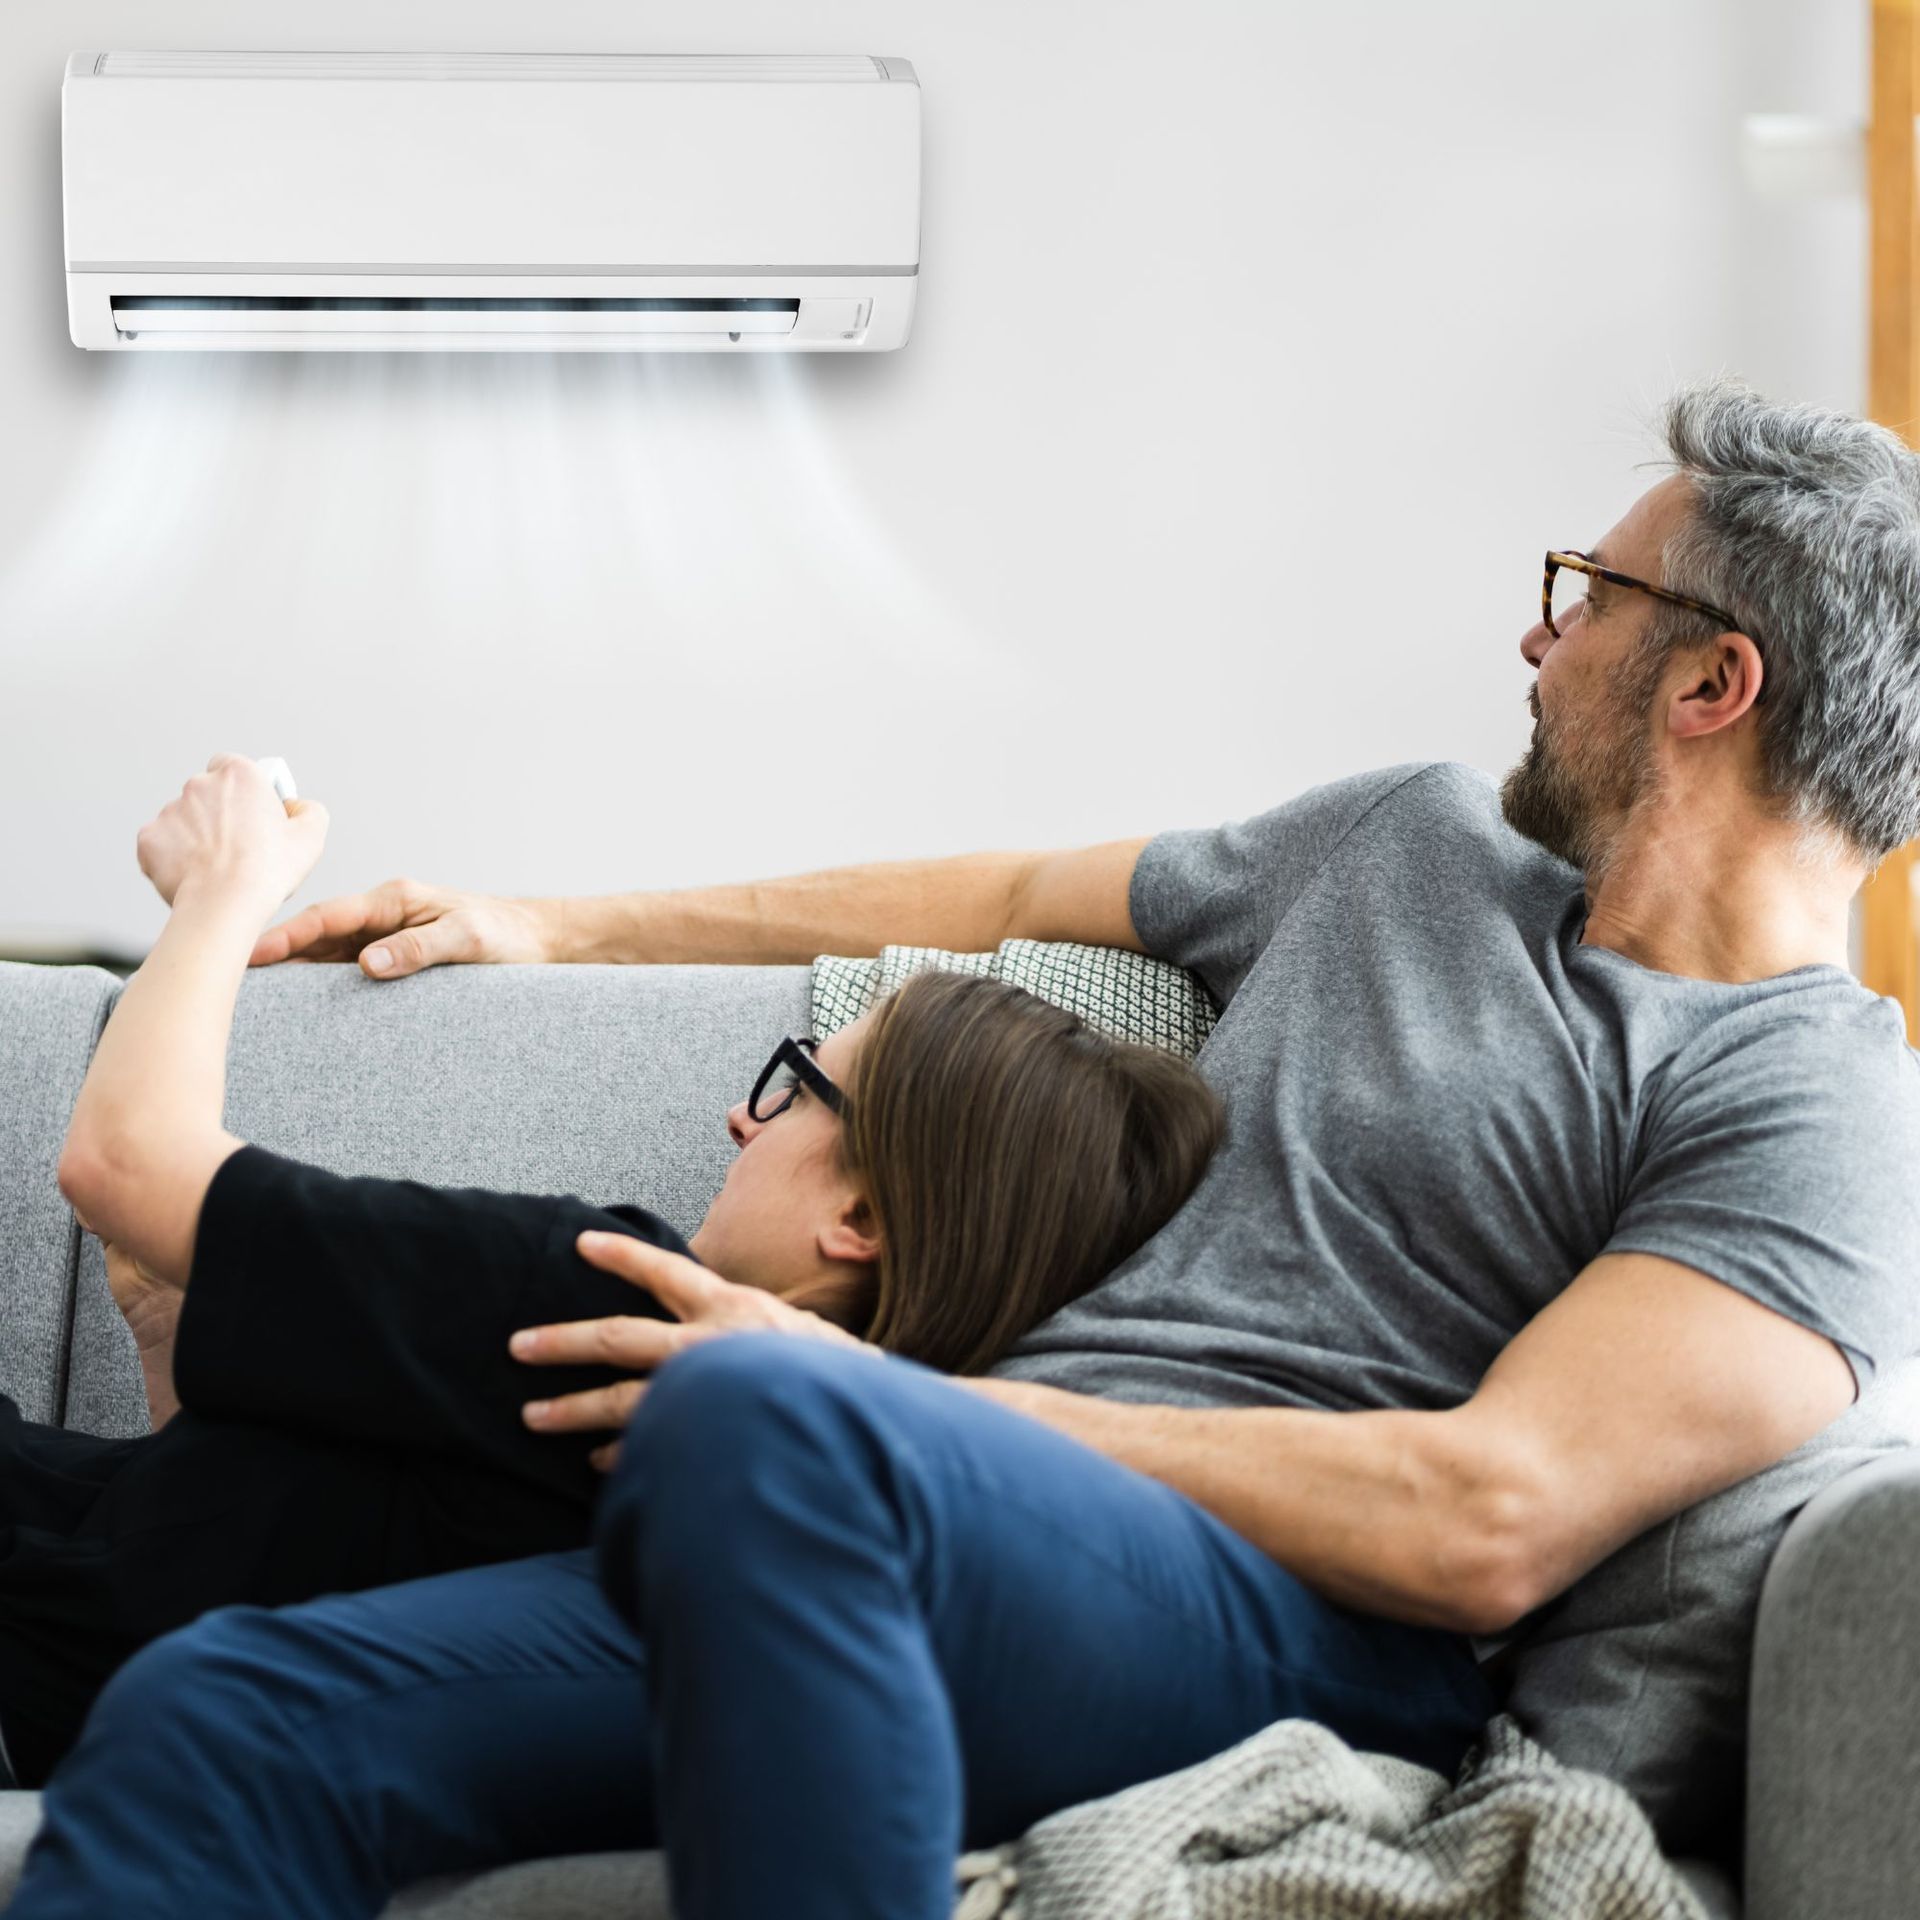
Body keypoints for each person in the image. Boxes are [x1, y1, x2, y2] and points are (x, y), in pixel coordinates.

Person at [14, 379, 1920, 1920]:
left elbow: (1487, 1519)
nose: (1537, 626)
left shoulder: (1811, 1100)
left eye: (1586, 591)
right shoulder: (1403, 842)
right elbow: (1009, 885)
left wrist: (872, 1398)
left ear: (1710, 680)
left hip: (1276, 1622)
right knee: (218, 1709)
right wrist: (561, 923)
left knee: (757, 1424)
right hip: (883, 1525)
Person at [0, 761, 1223, 1791]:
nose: (743, 1124)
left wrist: (220, 890)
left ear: (859, 1213)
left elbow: (122, 1162)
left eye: (797, 1086)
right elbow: (209, 1567)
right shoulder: (784, 1505)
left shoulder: (600, 1292)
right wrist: (164, 1325)